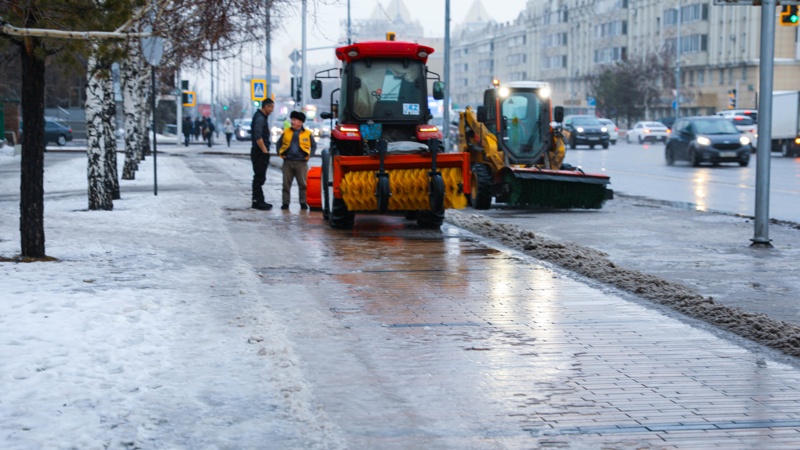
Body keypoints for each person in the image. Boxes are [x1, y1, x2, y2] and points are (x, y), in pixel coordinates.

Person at [277, 110, 316, 211]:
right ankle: (285, 203)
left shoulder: (307, 133)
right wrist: (280, 153)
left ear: (300, 122)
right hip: (288, 162)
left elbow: (314, 145)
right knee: (286, 184)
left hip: (301, 163)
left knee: (303, 184)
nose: (292, 122)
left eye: (294, 120)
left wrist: (310, 155)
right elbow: (279, 143)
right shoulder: (286, 132)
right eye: (292, 120)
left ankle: (303, 203)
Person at [250, 99, 275, 210]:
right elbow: (258, 136)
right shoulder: (260, 118)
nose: (272, 110)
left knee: (260, 177)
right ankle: (257, 201)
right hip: (259, 152)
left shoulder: (261, 117)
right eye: (271, 108)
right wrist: (265, 151)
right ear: (266, 106)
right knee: (259, 177)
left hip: (259, 152)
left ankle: (259, 200)